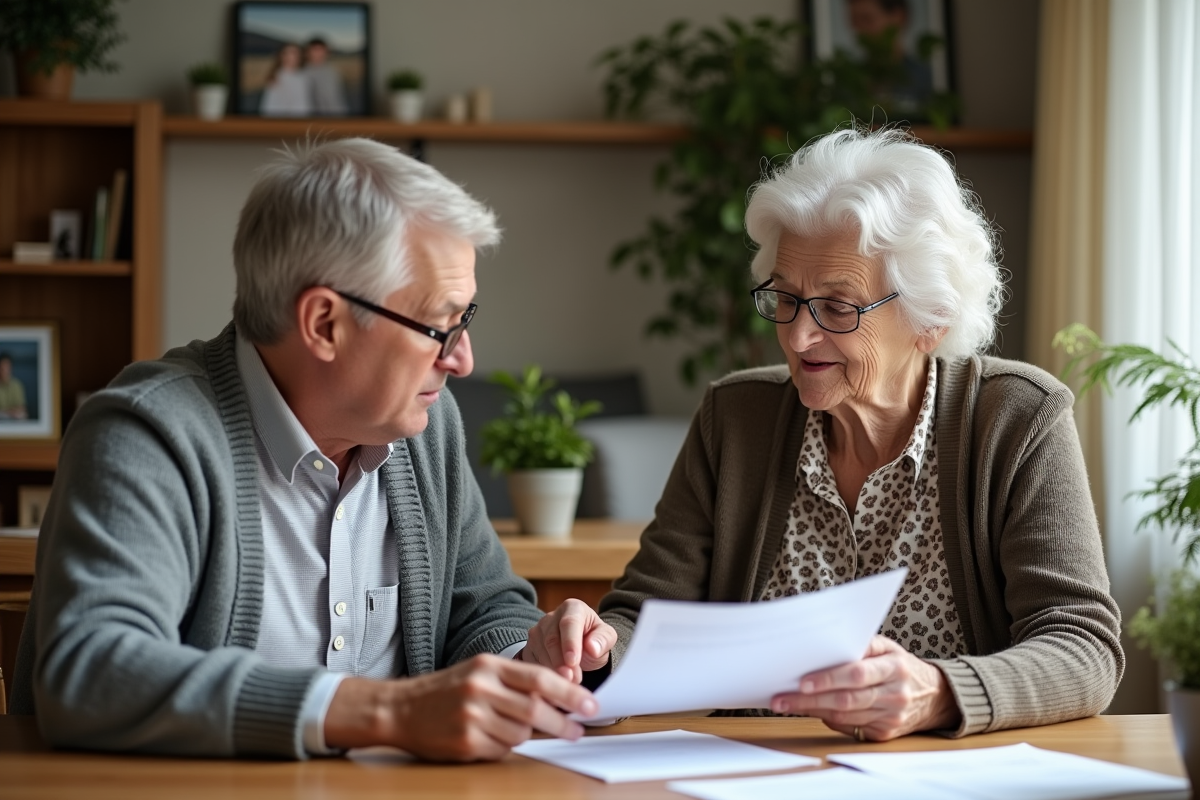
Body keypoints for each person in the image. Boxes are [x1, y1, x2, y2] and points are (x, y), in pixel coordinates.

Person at [12, 138, 616, 761]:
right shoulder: (149, 434)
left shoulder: (425, 430)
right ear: (324, 323)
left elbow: (484, 608)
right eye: (441, 326)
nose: (462, 360)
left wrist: (531, 653)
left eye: (467, 321)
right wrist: (387, 711)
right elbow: (90, 671)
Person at [543, 127, 1124, 741]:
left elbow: (1082, 644)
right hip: (744, 775)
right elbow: (647, 613)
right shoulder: (736, 417)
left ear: (931, 318)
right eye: (787, 299)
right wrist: (597, 647)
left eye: (839, 307)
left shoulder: (1016, 418)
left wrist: (941, 692)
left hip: (937, 779)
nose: (798, 337)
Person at [260, 42, 311, 117]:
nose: (292, 56)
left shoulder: (303, 76)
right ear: (282, 56)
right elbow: (270, 109)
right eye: (288, 53)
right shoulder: (276, 79)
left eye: (295, 53)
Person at [304, 37, 349, 116]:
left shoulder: (333, 73)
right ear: (307, 52)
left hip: (332, 119)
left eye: (321, 50)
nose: (318, 53)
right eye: (315, 50)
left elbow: (337, 99)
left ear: (326, 52)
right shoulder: (302, 72)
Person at [0, 352, 28, 420]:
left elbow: (21, 407)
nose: (4, 370)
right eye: (2, 367)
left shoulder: (17, 385)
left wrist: (7, 411)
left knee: (22, 415)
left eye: (7, 367)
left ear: (10, 368)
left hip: (13, 415)